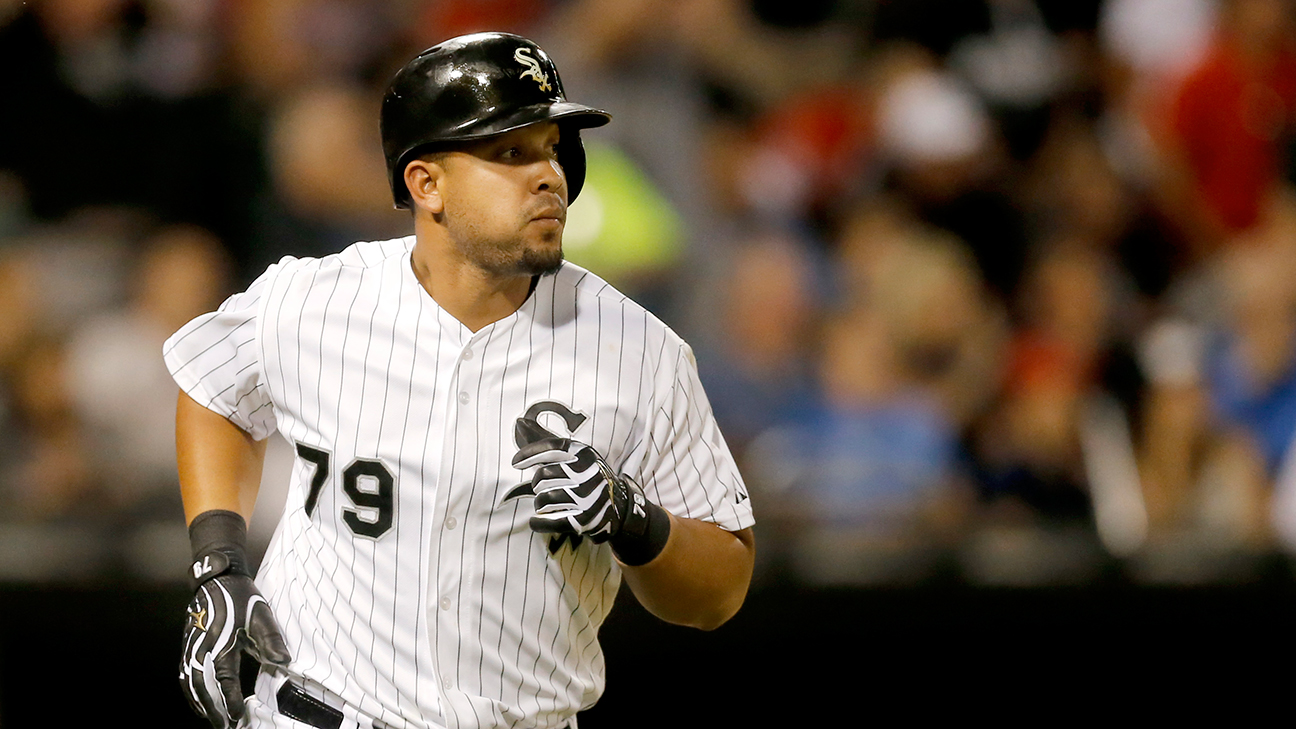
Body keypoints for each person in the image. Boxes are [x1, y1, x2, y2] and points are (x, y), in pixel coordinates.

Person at [165, 32, 755, 729]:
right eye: (510, 152)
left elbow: (720, 590)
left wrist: (635, 520)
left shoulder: (640, 349)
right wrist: (219, 562)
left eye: (553, 150)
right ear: (426, 183)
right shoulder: (312, 299)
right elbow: (213, 389)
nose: (551, 175)